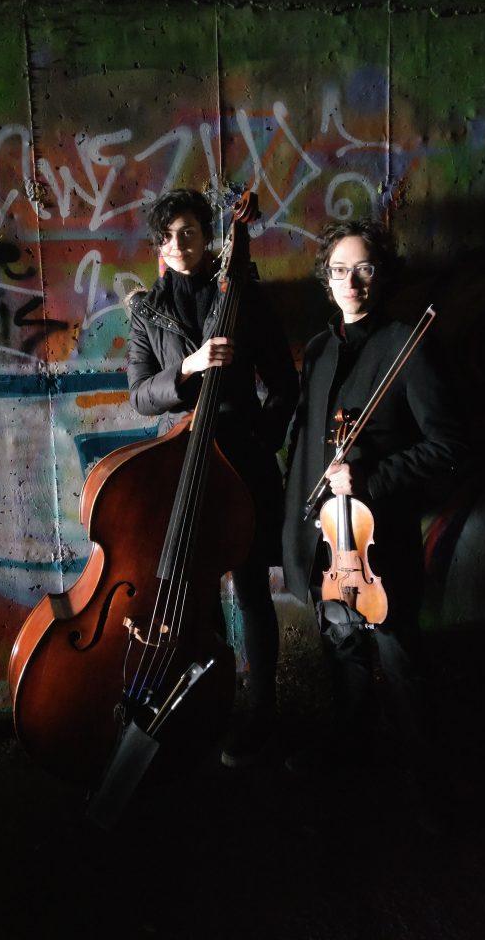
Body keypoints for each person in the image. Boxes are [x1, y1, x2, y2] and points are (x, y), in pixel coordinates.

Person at [282, 218, 468, 817]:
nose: (351, 281)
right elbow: (308, 445)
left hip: (380, 539)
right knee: (341, 648)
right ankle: (352, 746)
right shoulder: (317, 350)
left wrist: (373, 477)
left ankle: (429, 783)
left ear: (380, 275)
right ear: (326, 279)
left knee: (398, 654)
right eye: (340, 269)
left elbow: (448, 444)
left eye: (363, 268)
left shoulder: (407, 344)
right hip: (328, 541)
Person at [126, 188, 299, 768]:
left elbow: (284, 383)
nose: (179, 245)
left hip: (243, 456)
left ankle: (263, 708)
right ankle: (203, 702)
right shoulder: (146, 310)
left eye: (190, 233)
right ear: (160, 244)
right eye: (168, 236)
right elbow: (139, 395)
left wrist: (262, 440)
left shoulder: (243, 297)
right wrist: (188, 367)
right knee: (191, 591)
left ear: (208, 237)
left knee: (251, 590)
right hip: (182, 460)